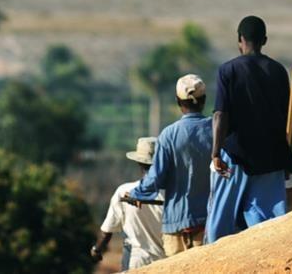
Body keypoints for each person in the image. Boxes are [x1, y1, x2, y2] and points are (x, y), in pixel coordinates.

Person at [207, 16, 292, 243]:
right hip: (273, 156)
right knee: (269, 227)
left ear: (240, 40)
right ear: (264, 40)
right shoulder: (278, 71)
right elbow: (287, 119)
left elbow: (220, 114)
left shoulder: (228, 70)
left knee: (219, 227)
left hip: (236, 156)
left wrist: (216, 154)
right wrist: (286, 158)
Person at [126, 74, 213, 256]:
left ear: (178, 102)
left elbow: (156, 177)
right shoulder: (216, 130)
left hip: (176, 224)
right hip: (209, 223)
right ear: (204, 100)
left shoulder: (169, 135)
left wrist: (137, 193)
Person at [91, 138, 166, 269]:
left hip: (135, 261)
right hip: (166, 262)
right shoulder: (172, 194)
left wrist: (97, 249)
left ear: (138, 162)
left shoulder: (124, 191)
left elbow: (107, 231)